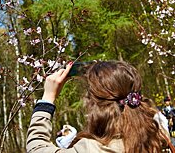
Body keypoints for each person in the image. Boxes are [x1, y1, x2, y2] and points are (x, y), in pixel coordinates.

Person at [27, 60, 165, 153]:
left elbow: (37, 147)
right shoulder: (157, 139)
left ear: (95, 106)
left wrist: (47, 98)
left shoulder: (91, 148)